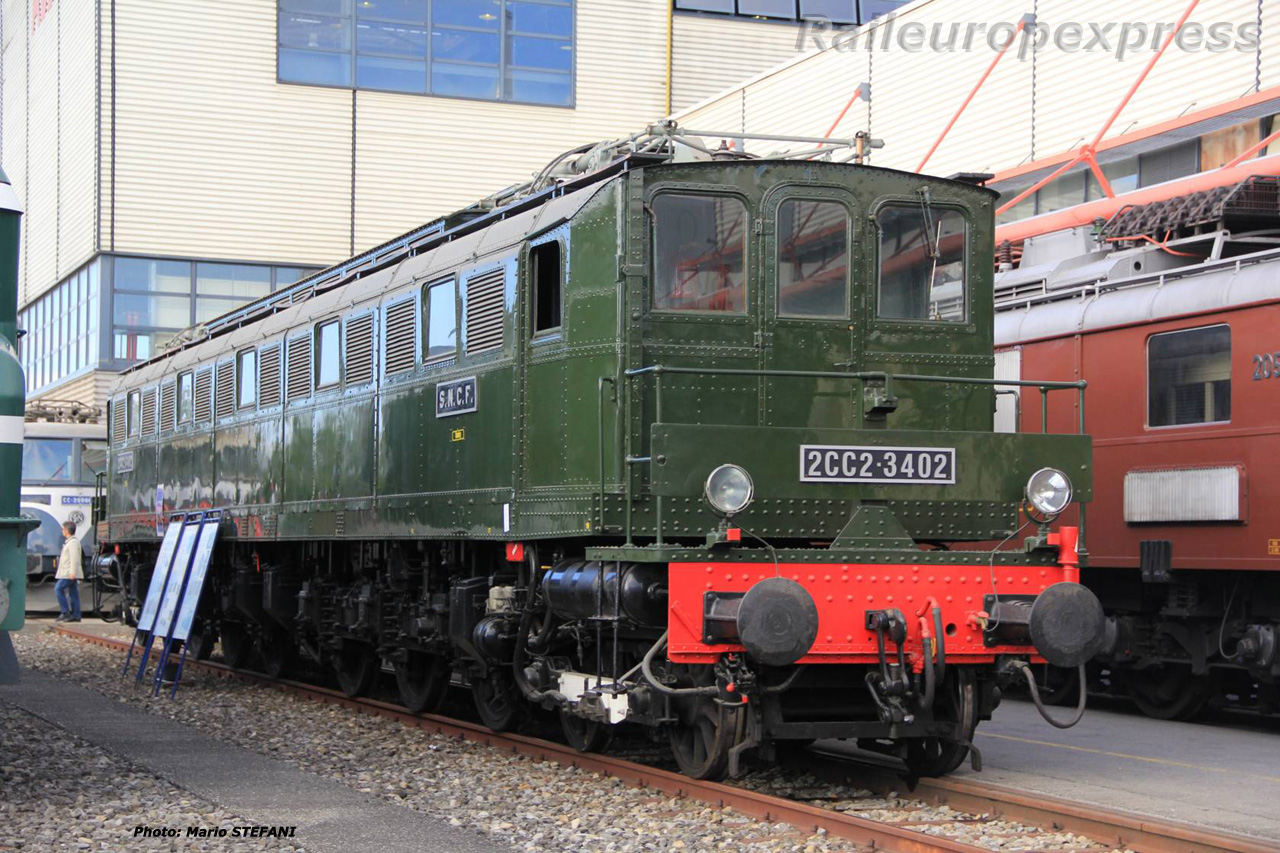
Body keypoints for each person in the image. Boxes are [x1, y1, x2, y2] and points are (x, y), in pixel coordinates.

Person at [54, 521, 83, 623]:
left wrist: (73, 572)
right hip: (69, 572)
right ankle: (76, 615)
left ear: (66, 530)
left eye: (63, 529)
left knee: (58, 589)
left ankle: (65, 612)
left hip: (69, 573)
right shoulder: (70, 542)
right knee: (73, 593)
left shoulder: (73, 543)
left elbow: (74, 558)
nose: (62, 531)